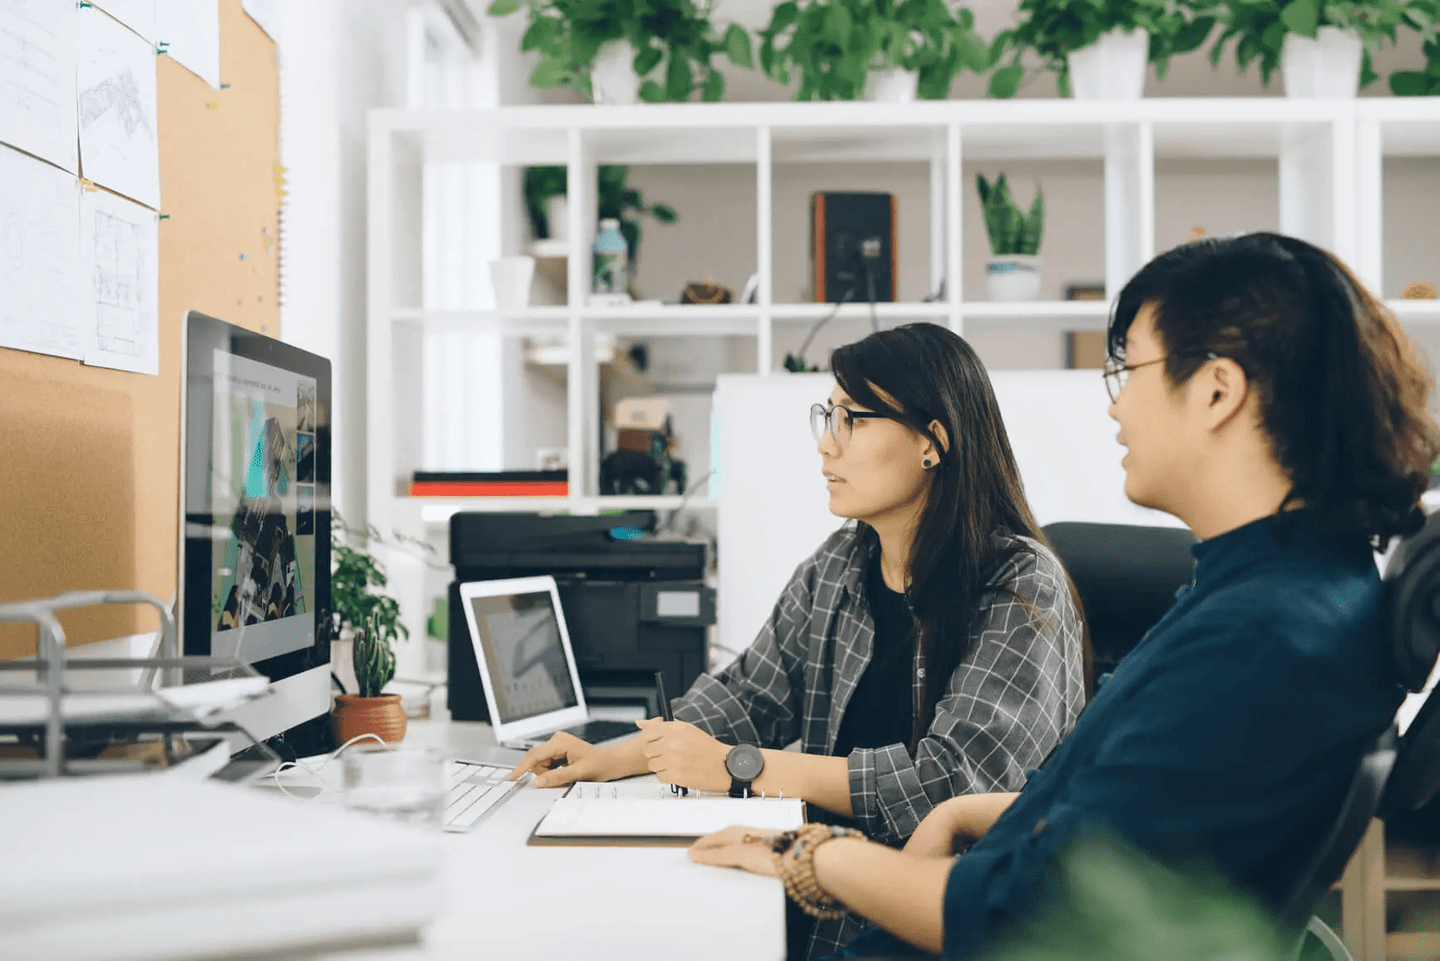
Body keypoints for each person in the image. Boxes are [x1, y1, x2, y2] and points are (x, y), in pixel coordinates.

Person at [688, 232, 1440, 958]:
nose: (1114, 405)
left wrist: (812, 853)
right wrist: (964, 810)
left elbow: (1019, 908)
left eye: (1129, 372)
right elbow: (1131, 818)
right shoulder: (1274, 589)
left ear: (1216, 390)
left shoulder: (1258, 638)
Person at [509, 322, 1089, 958]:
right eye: (827, 417)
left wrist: (742, 768)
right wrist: (613, 757)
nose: (825, 447)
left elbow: (953, 784)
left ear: (933, 442)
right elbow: (750, 694)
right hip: (816, 893)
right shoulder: (841, 563)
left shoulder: (1021, 585)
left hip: (931, 921)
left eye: (853, 420)